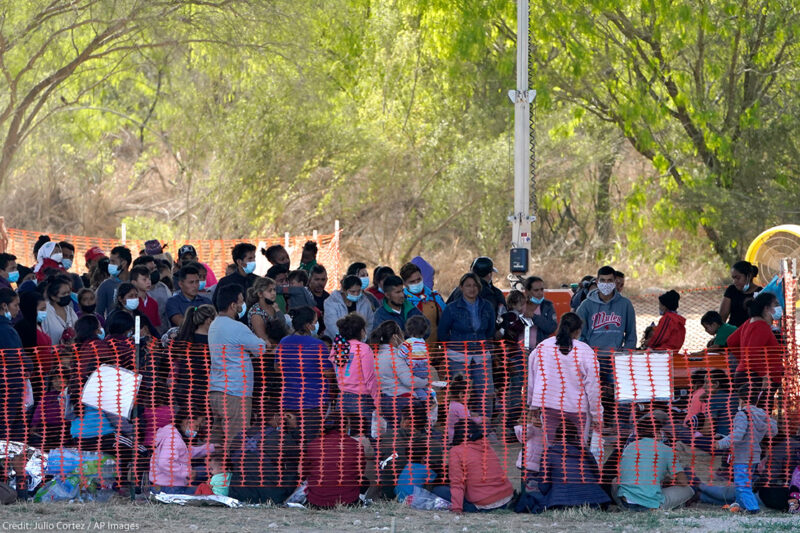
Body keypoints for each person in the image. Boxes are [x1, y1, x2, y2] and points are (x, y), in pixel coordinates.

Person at [528, 312, 603, 445]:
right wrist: (596, 414)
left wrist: (533, 406)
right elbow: (593, 387)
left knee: (551, 450)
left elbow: (533, 379)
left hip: (549, 407)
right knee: (579, 452)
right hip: (578, 410)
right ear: (578, 331)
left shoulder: (542, 347)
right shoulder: (585, 351)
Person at [576, 265, 636, 426]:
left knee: (622, 394)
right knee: (590, 395)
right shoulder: (586, 305)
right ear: (597, 281)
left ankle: (621, 430)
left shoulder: (625, 305)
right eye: (603, 280)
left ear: (616, 282)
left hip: (616, 359)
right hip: (593, 359)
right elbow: (579, 334)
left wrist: (625, 355)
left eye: (610, 280)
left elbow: (631, 334)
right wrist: (586, 355)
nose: (606, 284)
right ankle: (590, 428)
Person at [208, 284, 267, 445]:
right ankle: (231, 469)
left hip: (217, 390)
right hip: (235, 393)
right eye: (241, 302)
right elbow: (260, 348)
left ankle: (213, 467)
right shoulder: (236, 327)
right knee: (236, 440)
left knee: (217, 439)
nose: (243, 306)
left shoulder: (214, 325)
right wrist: (266, 341)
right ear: (233, 305)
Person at [438, 273, 496, 419]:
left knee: (486, 393)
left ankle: (484, 429)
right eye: (468, 285)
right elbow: (442, 333)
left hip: (481, 355)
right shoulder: (451, 308)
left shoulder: (487, 306)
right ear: (461, 288)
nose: (472, 289)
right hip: (458, 356)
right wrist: (456, 343)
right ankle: (460, 430)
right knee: (460, 393)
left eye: (475, 285)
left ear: (479, 287)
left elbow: (490, 330)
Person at [714, 383, 779, 513]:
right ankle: (740, 506)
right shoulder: (762, 414)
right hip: (755, 455)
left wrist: (720, 443)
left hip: (742, 456)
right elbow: (773, 431)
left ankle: (753, 508)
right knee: (742, 483)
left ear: (742, 400)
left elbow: (738, 435)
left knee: (742, 484)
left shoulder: (742, 414)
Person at [614, 415, 694, 510]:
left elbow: (623, 475)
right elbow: (683, 481)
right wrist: (672, 481)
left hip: (625, 503)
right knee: (688, 489)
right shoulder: (667, 450)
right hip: (651, 505)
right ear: (657, 432)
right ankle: (661, 506)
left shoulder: (629, 447)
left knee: (615, 482)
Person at [276, 306, 332, 442]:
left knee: (293, 441)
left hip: (290, 401)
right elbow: (328, 373)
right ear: (308, 325)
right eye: (314, 321)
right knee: (311, 442)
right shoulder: (318, 345)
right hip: (313, 403)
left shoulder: (283, 343)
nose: (316, 325)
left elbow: (278, 369)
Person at [433, 419, 514, 513]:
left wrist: (457, 509)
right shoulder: (487, 446)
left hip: (484, 504)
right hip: (507, 498)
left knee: (438, 490)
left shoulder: (456, 451)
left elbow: (457, 483)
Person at [228, 411, 302, 505]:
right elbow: (300, 455)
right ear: (275, 416)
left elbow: (231, 462)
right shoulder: (280, 438)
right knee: (292, 465)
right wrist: (294, 428)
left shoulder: (238, 438)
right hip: (270, 497)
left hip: (239, 494)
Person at [536, 420, 611, 511]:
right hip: (595, 501)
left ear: (556, 435)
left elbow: (543, 486)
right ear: (576, 436)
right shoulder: (586, 453)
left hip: (561, 503)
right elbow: (598, 478)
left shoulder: (549, 453)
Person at [329, 313, 379, 436]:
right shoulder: (364, 349)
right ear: (361, 331)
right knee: (364, 439)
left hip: (343, 398)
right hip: (361, 400)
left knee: (344, 439)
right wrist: (378, 401)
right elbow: (370, 379)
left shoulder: (338, 348)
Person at [302, 415, 367, 508]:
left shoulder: (313, 445)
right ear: (344, 427)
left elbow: (305, 471)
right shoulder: (356, 446)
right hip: (348, 500)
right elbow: (360, 472)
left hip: (317, 501)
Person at [372, 320, 427, 427]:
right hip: (402, 402)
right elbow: (408, 380)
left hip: (386, 401)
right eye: (401, 335)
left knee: (395, 435)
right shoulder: (395, 356)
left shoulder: (378, 356)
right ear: (394, 337)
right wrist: (425, 382)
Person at [726, 292, 783, 390]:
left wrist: (743, 360)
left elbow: (731, 341)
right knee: (759, 405)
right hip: (757, 379)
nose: (779, 308)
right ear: (766, 308)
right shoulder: (762, 326)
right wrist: (764, 375)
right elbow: (752, 354)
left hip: (746, 375)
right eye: (776, 305)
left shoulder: (749, 322)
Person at [149, 412, 215, 494]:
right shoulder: (174, 439)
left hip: (160, 486)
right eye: (197, 426)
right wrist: (187, 472)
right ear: (188, 421)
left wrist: (211, 448)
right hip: (168, 488)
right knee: (209, 478)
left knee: (205, 470)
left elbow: (185, 453)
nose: (197, 430)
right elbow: (164, 462)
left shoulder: (171, 435)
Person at [0, 288, 30, 441]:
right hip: (9, 389)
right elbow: (15, 358)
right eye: (16, 305)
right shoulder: (5, 331)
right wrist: (28, 364)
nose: (18, 309)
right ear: (4, 306)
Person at [399, 262, 445, 344]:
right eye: (412, 282)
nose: (416, 283)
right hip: (410, 352)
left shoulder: (435, 297)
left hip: (435, 352)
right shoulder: (401, 302)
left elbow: (446, 322)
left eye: (419, 279)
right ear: (404, 283)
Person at [214, 243, 258, 310]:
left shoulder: (258, 280)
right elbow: (217, 305)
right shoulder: (226, 282)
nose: (253, 261)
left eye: (254, 258)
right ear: (239, 262)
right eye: (250, 259)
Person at [399, 315, 432, 401]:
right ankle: (429, 395)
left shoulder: (408, 342)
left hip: (414, 369)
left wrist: (398, 348)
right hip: (424, 368)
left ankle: (424, 400)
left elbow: (401, 354)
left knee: (416, 387)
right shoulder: (423, 342)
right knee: (424, 384)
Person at [720, 261, 762, 327]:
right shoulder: (732, 290)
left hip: (751, 332)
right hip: (733, 332)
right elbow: (723, 316)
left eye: (738, 278)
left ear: (749, 276)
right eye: (733, 278)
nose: (735, 281)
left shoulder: (761, 292)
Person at [246, 276, 285, 343]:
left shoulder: (273, 306)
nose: (273, 293)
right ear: (260, 294)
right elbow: (263, 338)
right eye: (269, 291)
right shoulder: (256, 313)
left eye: (274, 290)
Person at [522, 276, 558, 348]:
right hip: (518, 352)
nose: (540, 293)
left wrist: (534, 317)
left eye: (542, 290)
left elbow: (552, 327)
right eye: (536, 290)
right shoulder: (519, 304)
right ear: (527, 291)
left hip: (540, 351)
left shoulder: (547, 306)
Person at [445, 375, 483, 444]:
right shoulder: (461, 407)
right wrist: (481, 419)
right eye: (468, 394)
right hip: (458, 438)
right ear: (461, 395)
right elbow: (468, 422)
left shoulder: (452, 404)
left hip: (451, 436)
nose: (469, 396)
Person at [96, 246, 132, 317]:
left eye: (113, 262)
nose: (110, 265)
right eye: (110, 261)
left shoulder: (135, 282)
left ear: (123, 263)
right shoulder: (105, 285)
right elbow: (99, 313)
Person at [41, 275, 78, 343]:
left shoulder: (70, 311)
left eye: (68, 292)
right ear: (53, 297)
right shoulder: (45, 313)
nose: (67, 295)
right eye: (64, 294)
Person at [129, 265, 161, 331]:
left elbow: (156, 326)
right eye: (144, 279)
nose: (148, 282)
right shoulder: (131, 303)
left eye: (149, 279)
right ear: (134, 282)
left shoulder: (153, 303)